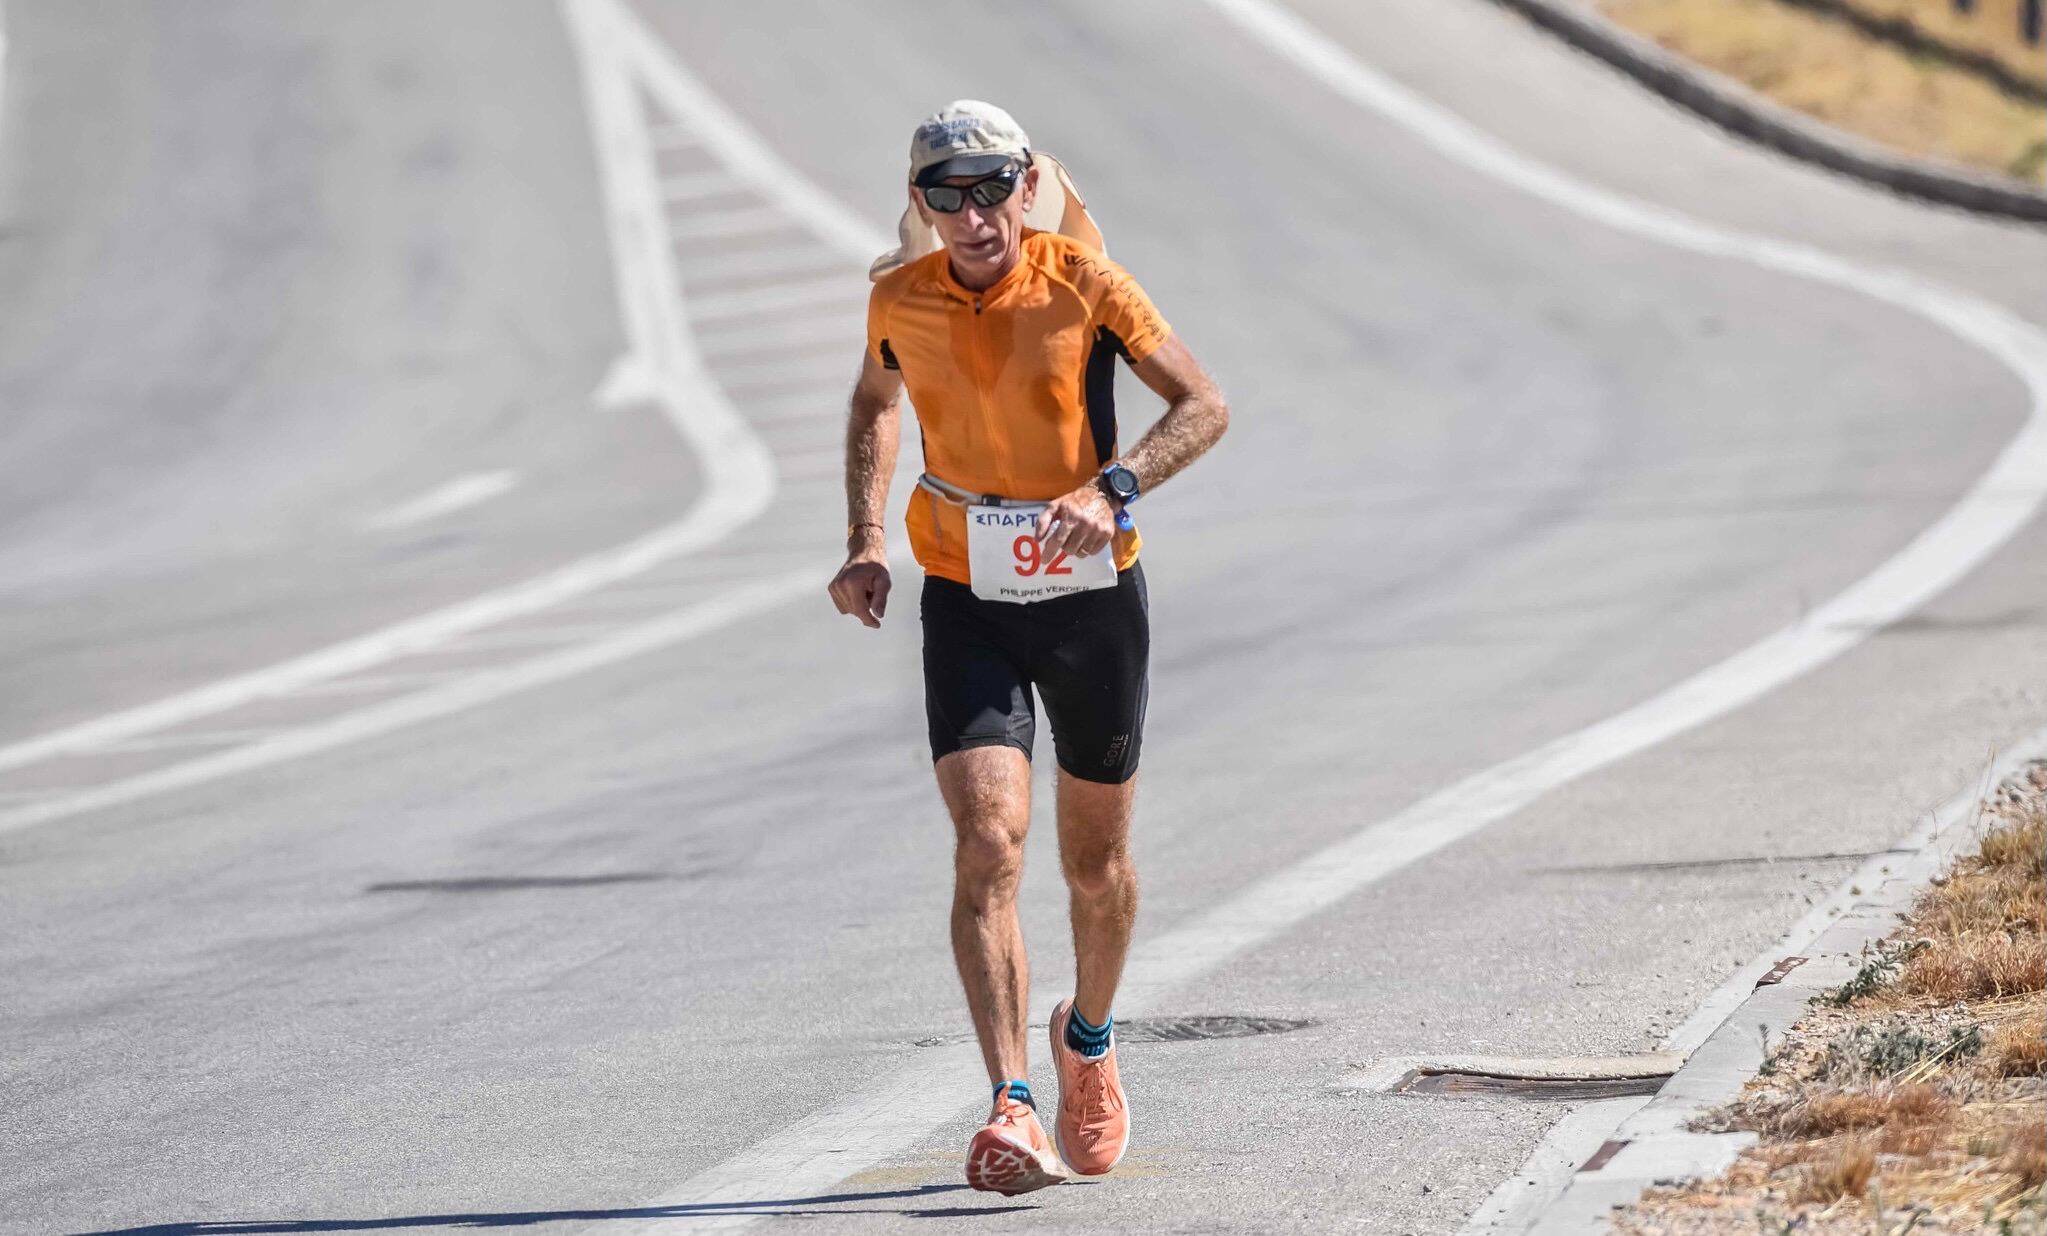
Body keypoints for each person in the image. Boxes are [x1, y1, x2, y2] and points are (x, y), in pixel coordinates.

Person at [827, 100, 1229, 1196]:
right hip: (966, 592)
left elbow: (1203, 404)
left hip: (1092, 595)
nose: (974, 213)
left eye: (991, 187)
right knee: (988, 844)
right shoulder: (896, 300)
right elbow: (875, 404)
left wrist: (1115, 487)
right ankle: (1009, 1101)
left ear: (1025, 185)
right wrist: (868, 540)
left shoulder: (1086, 285)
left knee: (1093, 867)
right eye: (947, 194)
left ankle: (1086, 1042)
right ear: (922, 204)